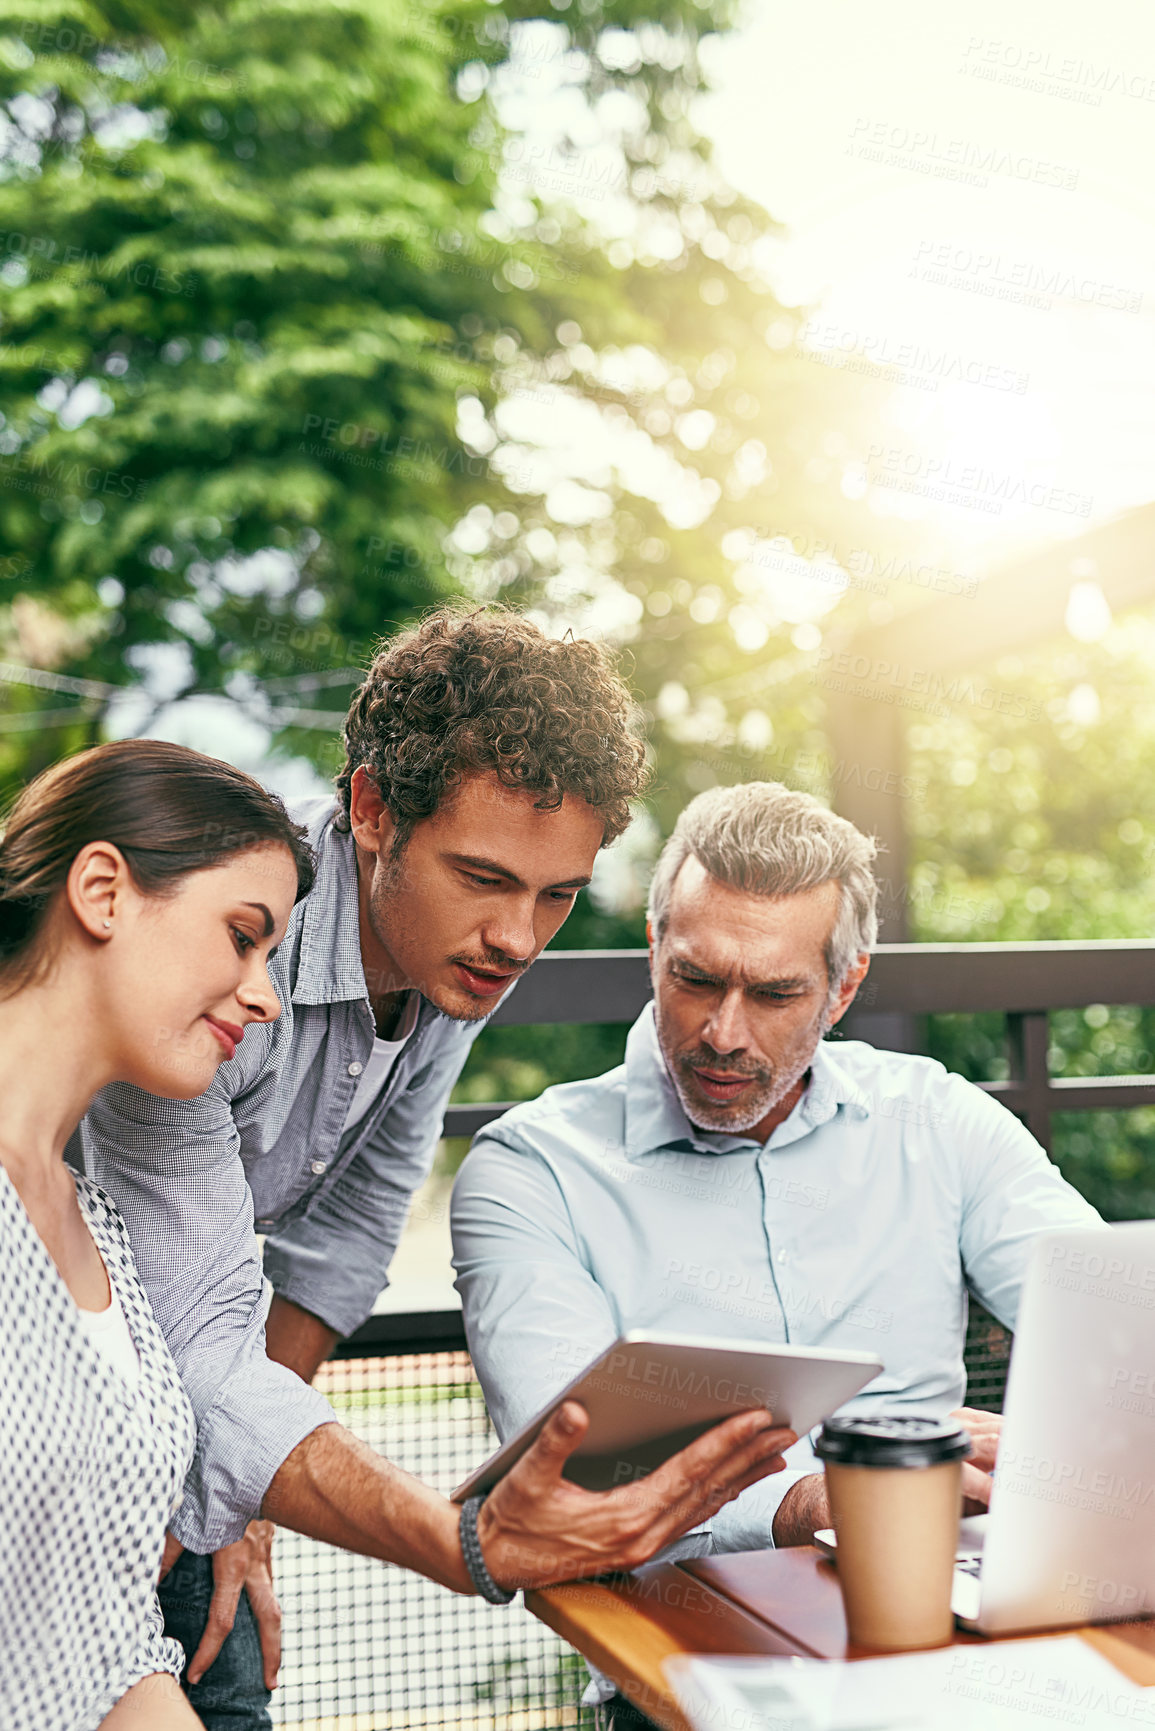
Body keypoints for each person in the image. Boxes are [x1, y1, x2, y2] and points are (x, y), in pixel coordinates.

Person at [75, 607, 796, 1731]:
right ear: (371, 810)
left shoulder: (441, 956)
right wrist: (460, 1538)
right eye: (484, 876)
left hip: (176, 1413)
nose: (517, 937)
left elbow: (344, 1238)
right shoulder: (219, 955)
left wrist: (246, 1500)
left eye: (555, 896)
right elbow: (203, 1340)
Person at [451, 779, 1104, 1729]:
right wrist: (820, 1494)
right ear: (653, 946)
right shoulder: (532, 1170)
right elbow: (568, 1485)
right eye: (695, 978)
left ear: (843, 986)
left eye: (773, 993)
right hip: (686, 1668)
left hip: (954, 1641)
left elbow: (1112, 1330)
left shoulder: (939, 1121)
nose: (722, 1033)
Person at [0, 736, 318, 1730]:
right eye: (242, 935)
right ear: (103, 891)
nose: (268, 998)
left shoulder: (97, 1235)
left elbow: (106, 1649)